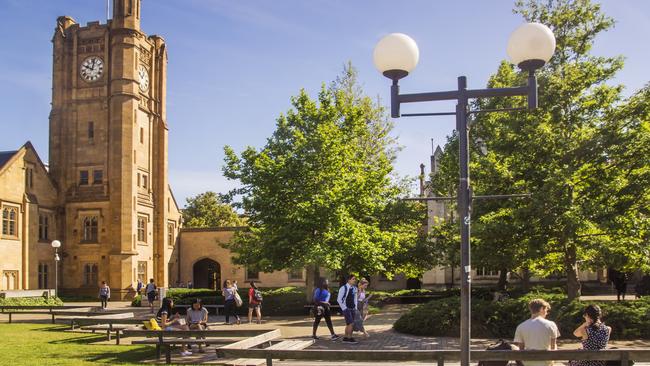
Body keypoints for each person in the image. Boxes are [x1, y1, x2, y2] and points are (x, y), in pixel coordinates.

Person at [513, 298, 560, 366]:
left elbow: (521, 349)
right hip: (545, 362)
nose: (546, 313)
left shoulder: (521, 326)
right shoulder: (551, 324)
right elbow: (553, 348)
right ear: (541, 309)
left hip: (528, 362)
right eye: (546, 310)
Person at [337, 274, 358, 344]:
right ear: (349, 280)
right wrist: (344, 308)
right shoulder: (343, 288)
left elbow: (355, 299)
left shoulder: (355, 288)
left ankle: (345, 338)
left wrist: (355, 308)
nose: (355, 280)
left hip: (352, 308)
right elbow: (339, 299)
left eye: (355, 279)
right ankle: (350, 338)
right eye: (353, 279)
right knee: (351, 323)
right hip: (347, 308)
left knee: (348, 324)